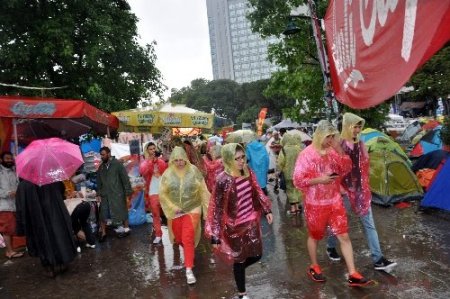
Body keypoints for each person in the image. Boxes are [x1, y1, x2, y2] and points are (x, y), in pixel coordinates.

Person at [293, 120, 370, 287]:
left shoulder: (333, 151)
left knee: (344, 235)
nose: (330, 140)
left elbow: (346, 168)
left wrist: (339, 149)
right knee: (315, 236)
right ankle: (314, 266)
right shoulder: (306, 154)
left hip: (335, 202)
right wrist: (319, 179)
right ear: (319, 135)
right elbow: (298, 180)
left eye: (332, 136)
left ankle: (352, 273)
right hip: (315, 204)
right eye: (328, 136)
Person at [326, 113, 397, 271]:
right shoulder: (339, 145)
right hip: (344, 192)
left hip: (360, 192)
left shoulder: (360, 143)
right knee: (338, 223)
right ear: (347, 126)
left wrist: (365, 185)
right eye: (355, 126)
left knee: (369, 225)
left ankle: (378, 259)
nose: (357, 129)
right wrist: (341, 188)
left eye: (359, 126)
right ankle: (330, 246)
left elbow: (364, 165)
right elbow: (333, 170)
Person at [206, 143, 273, 299]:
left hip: (251, 222)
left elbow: (257, 190)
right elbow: (216, 208)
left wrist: (267, 209)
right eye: (237, 159)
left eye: (243, 157)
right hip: (233, 227)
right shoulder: (222, 180)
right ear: (229, 159)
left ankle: (239, 269)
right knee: (240, 258)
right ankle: (242, 293)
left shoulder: (248, 171)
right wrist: (215, 234)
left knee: (257, 255)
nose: (241, 161)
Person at [159, 146, 210, 285]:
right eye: (176, 160)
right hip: (175, 212)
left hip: (193, 208)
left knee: (187, 238)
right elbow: (162, 194)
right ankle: (189, 253)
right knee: (179, 239)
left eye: (182, 160)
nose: (180, 163)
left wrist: (207, 212)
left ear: (186, 159)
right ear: (173, 160)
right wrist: (172, 207)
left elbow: (203, 191)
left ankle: (189, 270)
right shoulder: (167, 174)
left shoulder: (194, 171)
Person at [16, 180, 77, 277]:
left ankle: (49, 267)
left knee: (42, 241)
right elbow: (61, 190)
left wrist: (21, 226)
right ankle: (62, 263)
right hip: (54, 214)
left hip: (36, 218)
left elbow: (20, 206)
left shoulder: (23, 185)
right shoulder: (51, 178)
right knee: (58, 237)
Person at [97, 146, 132, 241]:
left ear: (108, 154)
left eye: (103, 155)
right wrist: (98, 193)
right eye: (101, 155)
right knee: (102, 214)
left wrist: (128, 192)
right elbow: (98, 181)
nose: (102, 157)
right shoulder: (101, 168)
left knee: (122, 211)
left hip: (117, 193)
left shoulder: (117, 164)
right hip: (105, 194)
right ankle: (103, 233)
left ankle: (126, 229)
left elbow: (125, 179)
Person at [140, 142, 168, 244]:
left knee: (168, 213)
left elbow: (166, 173)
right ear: (147, 151)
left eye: (153, 148)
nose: (152, 151)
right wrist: (151, 162)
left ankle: (174, 235)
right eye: (150, 149)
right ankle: (158, 234)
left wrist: (159, 162)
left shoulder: (161, 162)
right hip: (152, 192)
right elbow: (143, 172)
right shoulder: (144, 163)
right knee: (155, 214)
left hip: (163, 191)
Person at [0, 151, 22, 259]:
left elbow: (18, 184)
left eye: (10, 158)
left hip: (14, 205)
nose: (9, 160)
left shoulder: (14, 171)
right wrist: (8, 193)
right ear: (2, 160)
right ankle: (9, 251)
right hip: (3, 206)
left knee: (12, 229)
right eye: (6, 159)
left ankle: (11, 249)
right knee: (7, 229)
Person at [277, 132, 303, 215]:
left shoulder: (284, 150)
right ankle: (298, 207)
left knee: (290, 190)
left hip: (288, 174)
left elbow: (280, 162)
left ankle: (293, 209)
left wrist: (278, 171)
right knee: (298, 190)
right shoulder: (299, 149)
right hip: (299, 174)